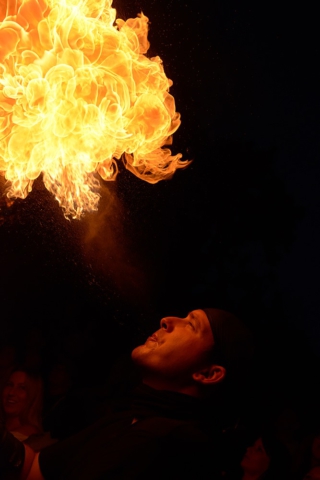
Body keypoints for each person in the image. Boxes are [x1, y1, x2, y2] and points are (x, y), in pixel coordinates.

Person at [0, 308, 254, 480]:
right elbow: (34, 468)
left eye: (191, 325)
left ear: (208, 373)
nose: (167, 320)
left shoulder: (181, 447)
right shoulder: (126, 421)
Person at [2, 369, 43, 442]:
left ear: (32, 396)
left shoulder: (27, 435)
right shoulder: (4, 427)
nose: (11, 392)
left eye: (22, 388)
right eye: (10, 385)